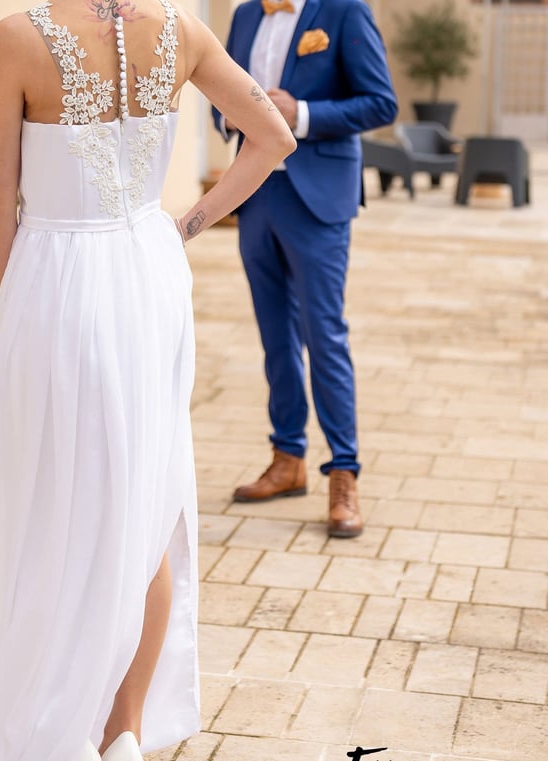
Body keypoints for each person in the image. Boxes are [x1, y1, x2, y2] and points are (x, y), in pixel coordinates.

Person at [0, 1, 295, 760]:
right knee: (145, 499)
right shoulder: (185, 32)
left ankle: (53, 719)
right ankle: (123, 728)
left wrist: (21, 303)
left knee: (51, 499)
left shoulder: (16, 39)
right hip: (149, 269)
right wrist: (185, 224)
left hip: (59, 274)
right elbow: (274, 136)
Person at [212, 0, 397, 538]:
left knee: (325, 335)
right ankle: (287, 457)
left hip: (318, 196)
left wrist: (301, 113)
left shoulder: (344, 10)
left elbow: (380, 103)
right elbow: (219, 96)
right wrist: (234, 113)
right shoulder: (246, 14)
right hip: (255, 194)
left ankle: (344, 473)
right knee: (275, 336)